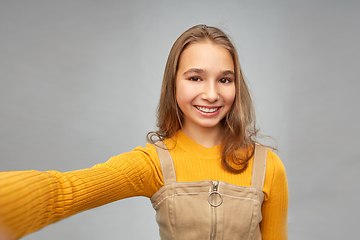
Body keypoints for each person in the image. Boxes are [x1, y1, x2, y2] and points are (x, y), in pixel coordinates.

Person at [0, 25, 288, 240]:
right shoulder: (153, 164)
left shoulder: (267, 166)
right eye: (195, 78)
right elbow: (64, 191)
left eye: (224, 79)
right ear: (174, 83)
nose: (211, 94)